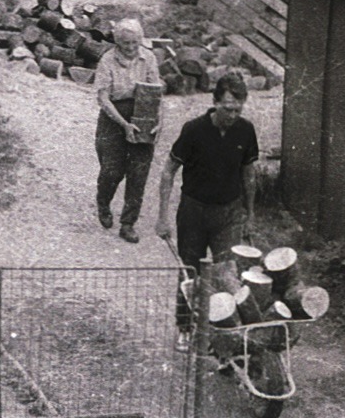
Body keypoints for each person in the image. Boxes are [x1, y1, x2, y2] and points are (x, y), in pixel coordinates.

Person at [156, 72, 258, 266]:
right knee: (191, 271)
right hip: (194, 212)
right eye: (227, 109)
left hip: (229, 213)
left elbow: (249, 173)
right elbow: (169, 171)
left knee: (227, 272)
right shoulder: (193, 130)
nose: (232, 115)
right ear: (215, 102)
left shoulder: (246, 130)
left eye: (238, 110)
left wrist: (250, 214)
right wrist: (162, 217)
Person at [94, 18, 162, 242]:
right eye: (125, 44)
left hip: (143, 113)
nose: (131, 48)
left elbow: (156, 92)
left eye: (134, 42)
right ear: (117, 43)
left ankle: (128, 223)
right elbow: (103, 98)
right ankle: (103, 203)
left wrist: (159, 120)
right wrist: (124, 124)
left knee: (138, 173)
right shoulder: (107, 60)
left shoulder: (148, 57)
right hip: (114, 117)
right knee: (112, 171)